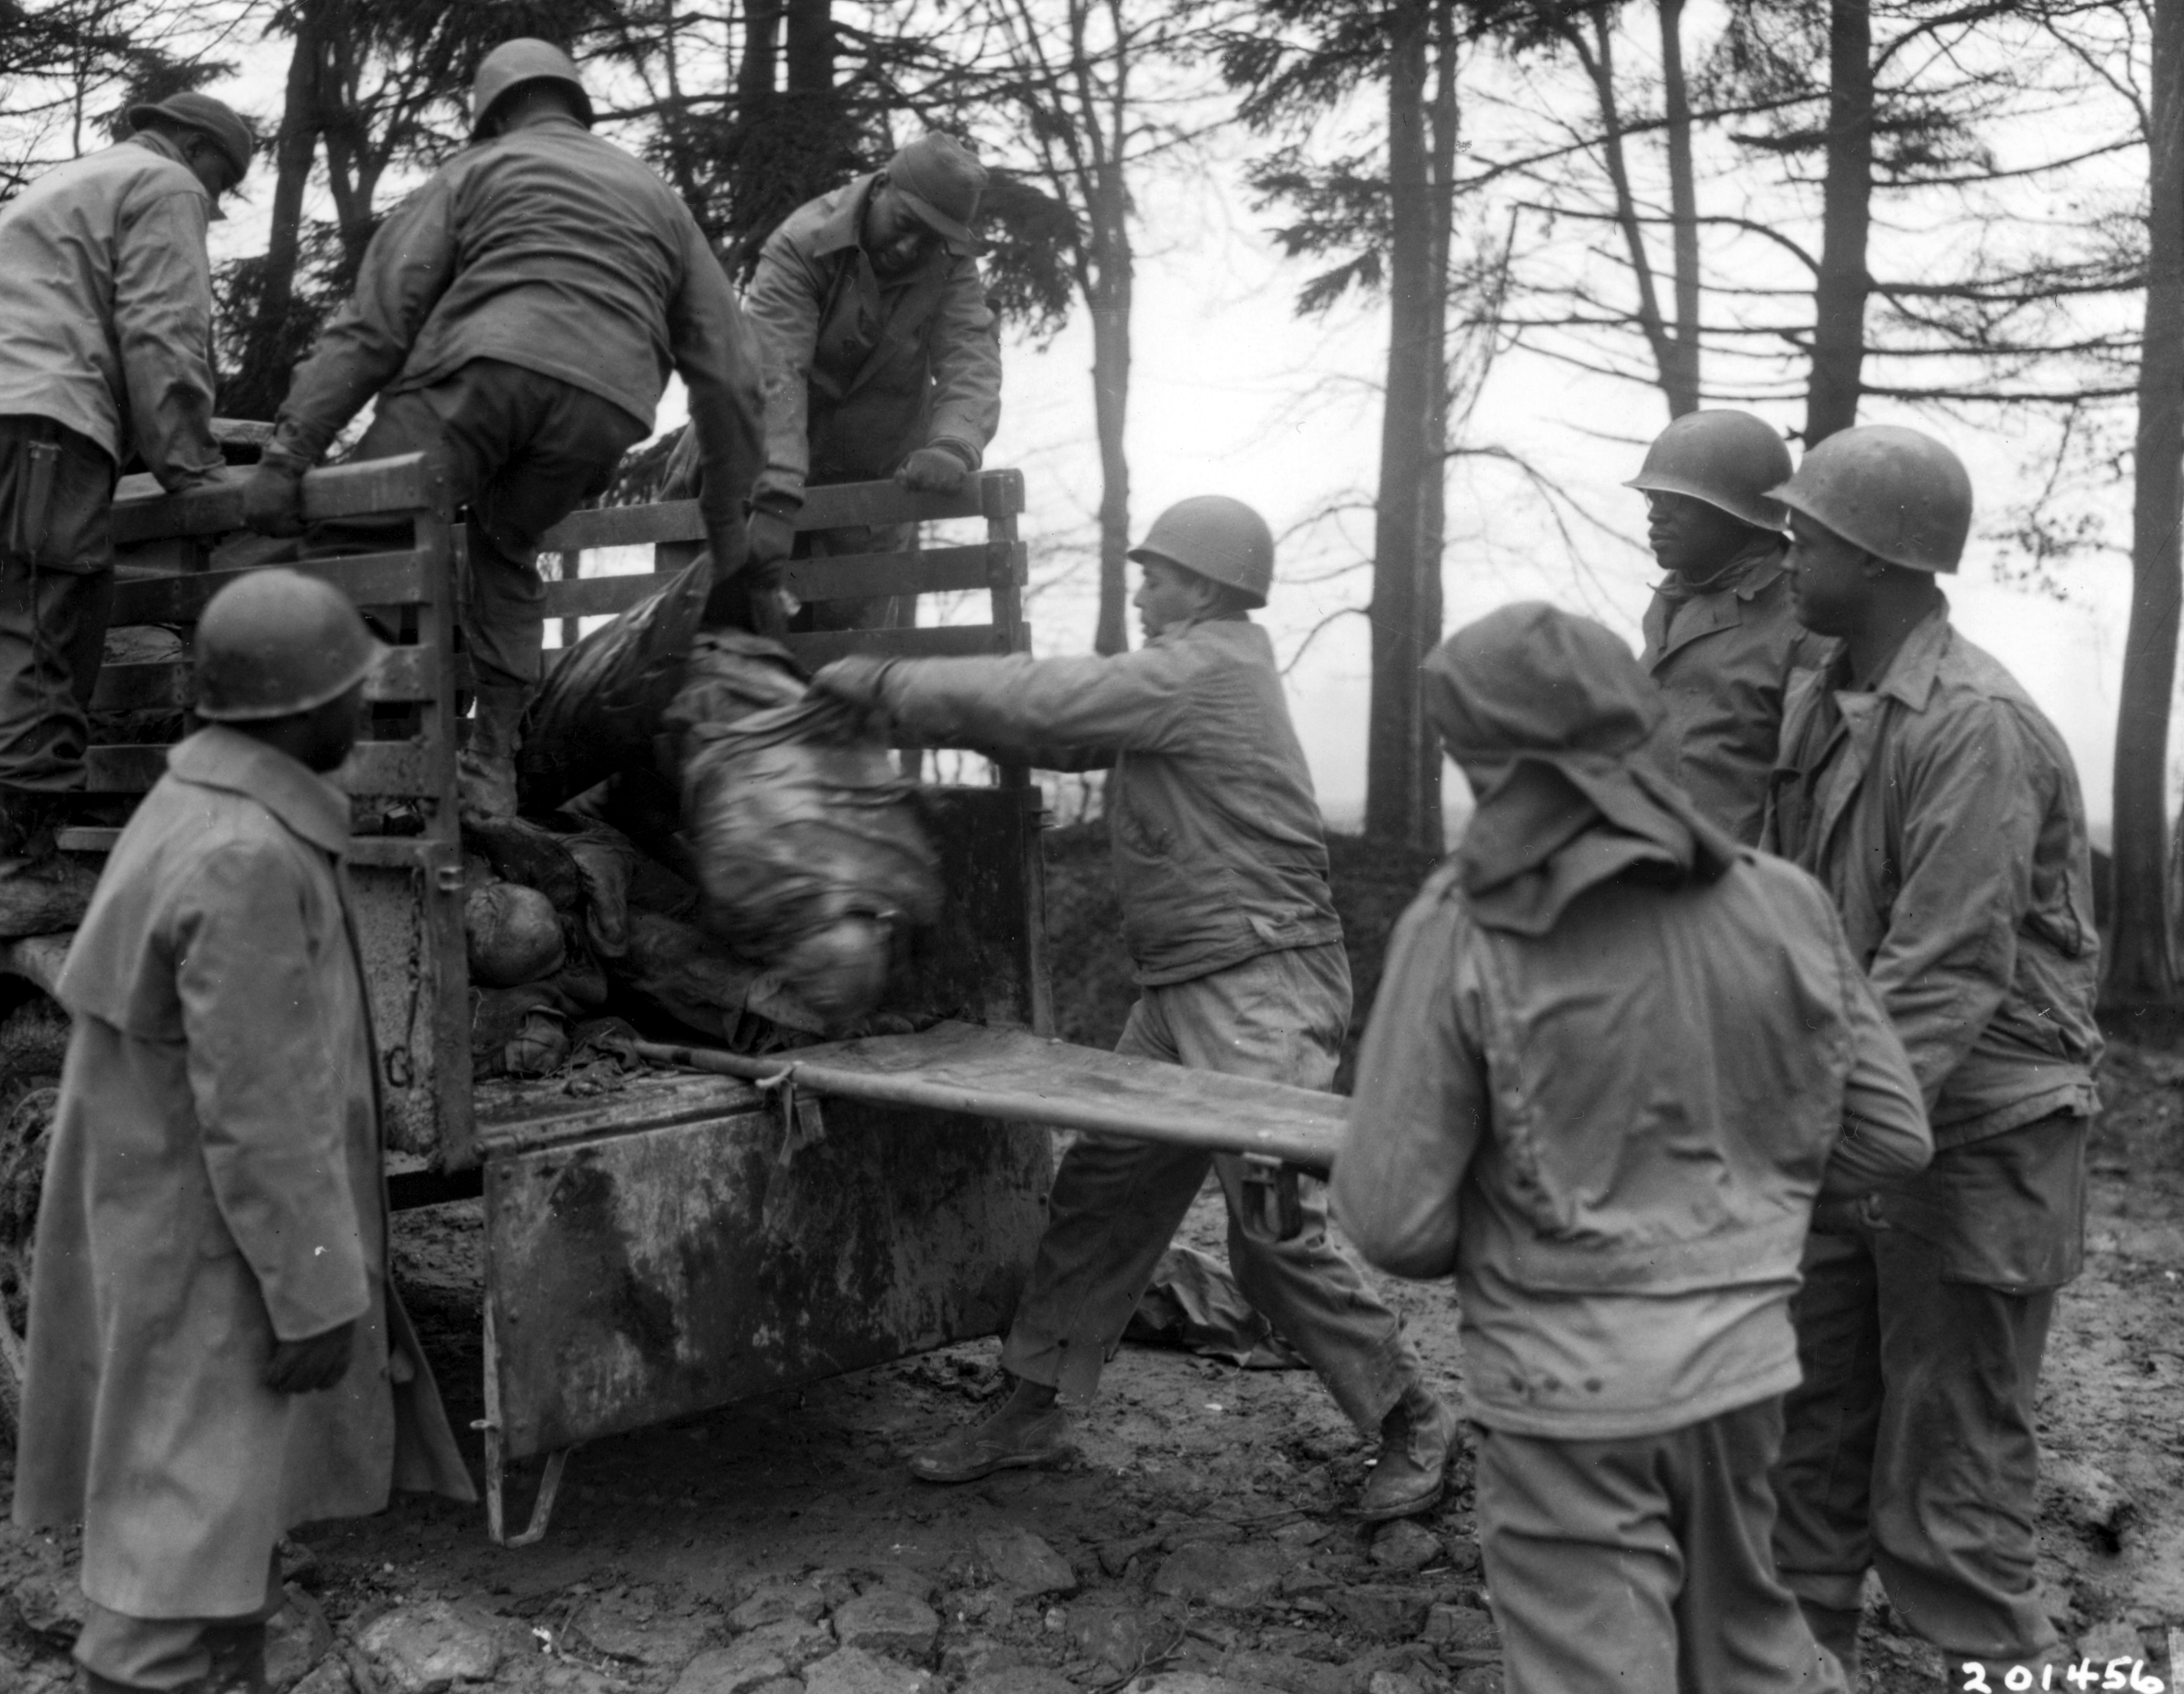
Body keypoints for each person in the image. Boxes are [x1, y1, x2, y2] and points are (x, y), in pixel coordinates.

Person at [810, 495, 1455, 1518]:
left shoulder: (1208, 665)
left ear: (1203, 584)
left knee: (1269, 1232)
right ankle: (1031, 1404)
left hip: (1259, 987)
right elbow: (1068, 733)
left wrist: (886, 685)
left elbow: (1055, 700)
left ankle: (1408, 1415)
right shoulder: (1194, 673)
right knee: (1104, 1193)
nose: (1142, 586)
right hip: (1187, 985)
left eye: (1155, 572)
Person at [1334, 602, 1932, 1694]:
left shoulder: (1461, 927)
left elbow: (1393, 1223)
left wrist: (1540, 1203)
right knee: (1749, 1648)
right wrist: (1742, 1198)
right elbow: (1893, 1136)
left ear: (1483, 761)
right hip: (1747, 1371)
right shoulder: (1784, 902)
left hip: (1567, 1397)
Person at [14, 569, 475, 1694]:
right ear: (291, 712)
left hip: (185, 1230)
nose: (361, 719)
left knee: (218, 1538)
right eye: (348, 697)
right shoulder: (244, 858)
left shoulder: (205, 810)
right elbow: (261, 1108)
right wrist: (317, 1286)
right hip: (212, 1252)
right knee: (173, 1570)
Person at [1760, 424, 2103, 1690]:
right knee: (1810, 1439)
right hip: (1868, 1117)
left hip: (1976, 1137)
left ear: (1880, 557)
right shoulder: (1824, 696)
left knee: (1952, 1475)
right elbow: (1801, 918)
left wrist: (1813, 1131)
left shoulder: (1975, 726)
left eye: (1811, 535)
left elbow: (1944, 966)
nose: (1789, 553)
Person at [242, 38, 766, 820]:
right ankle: (491, 769)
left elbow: (379, 323)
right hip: (609, 404)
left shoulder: (476, 172)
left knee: (360, 536)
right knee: (505, 544)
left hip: (483, 372)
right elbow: (731, 376)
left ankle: (346, 773)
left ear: (494, 112)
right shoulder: (660, 200)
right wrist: (729, 529)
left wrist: (292, 452)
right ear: (572, 103)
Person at [0, 91, 251, 931]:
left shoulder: (63, 187)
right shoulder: (161, 182)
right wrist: (191, 470)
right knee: (48, 620)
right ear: (189, 143)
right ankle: (21, 871)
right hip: (43, 421)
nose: (214, 202)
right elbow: (165, 327)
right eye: (223, 177)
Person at [663, 131, 1002, 632]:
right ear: (882, 186)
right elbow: (777, 374)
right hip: (746, 470)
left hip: (861, 498)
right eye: (905, 224)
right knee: (703, 644)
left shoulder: (950, 265)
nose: (910, 249)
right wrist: (775, 497)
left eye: (929, 240)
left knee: (838, 670)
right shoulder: (802, 243)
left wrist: (954, 445)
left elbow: (969, 355)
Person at [1629, 408, 1826, 844]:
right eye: (1653, 498)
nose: (1655, 516)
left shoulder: (1806, 621)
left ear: (1740, 512)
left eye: (1677, 500)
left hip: (1743, 894)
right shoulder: (1672, 600)